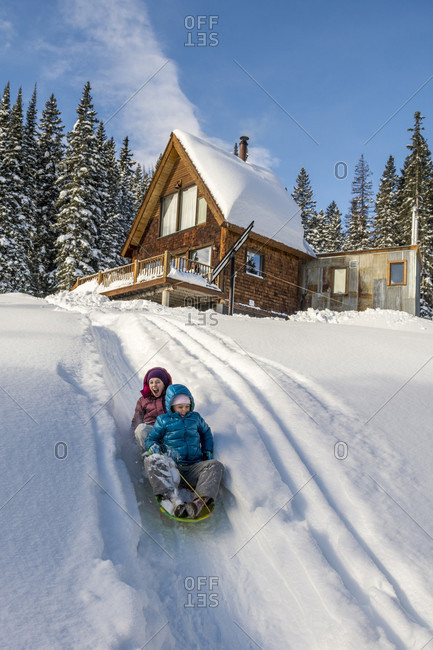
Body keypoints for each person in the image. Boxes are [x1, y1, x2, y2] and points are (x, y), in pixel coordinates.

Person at [144, 384, 224, 519]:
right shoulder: (163, 420)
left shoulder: (195, 418)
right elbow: (151, 439)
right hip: (173, 467)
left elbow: (206, 433)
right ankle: (169, 500)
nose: (184, 410)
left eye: (187, 406)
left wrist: (207, 450)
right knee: (152, 461)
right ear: (171, 406)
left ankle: (200, 502)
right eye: (180, 407)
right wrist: (153, 446)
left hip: (194, 467)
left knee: (216, 465)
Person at [131, 367, 172, 449]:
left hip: (169, 431)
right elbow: (137, 420)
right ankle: (150, 454)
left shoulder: (171, 398)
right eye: (151, 382)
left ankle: (182, 457)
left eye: (158, 382)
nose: (154, 385)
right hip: (151, 431)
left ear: (164, 384)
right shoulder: (143, 400)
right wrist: (132, 437)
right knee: (141, 429)